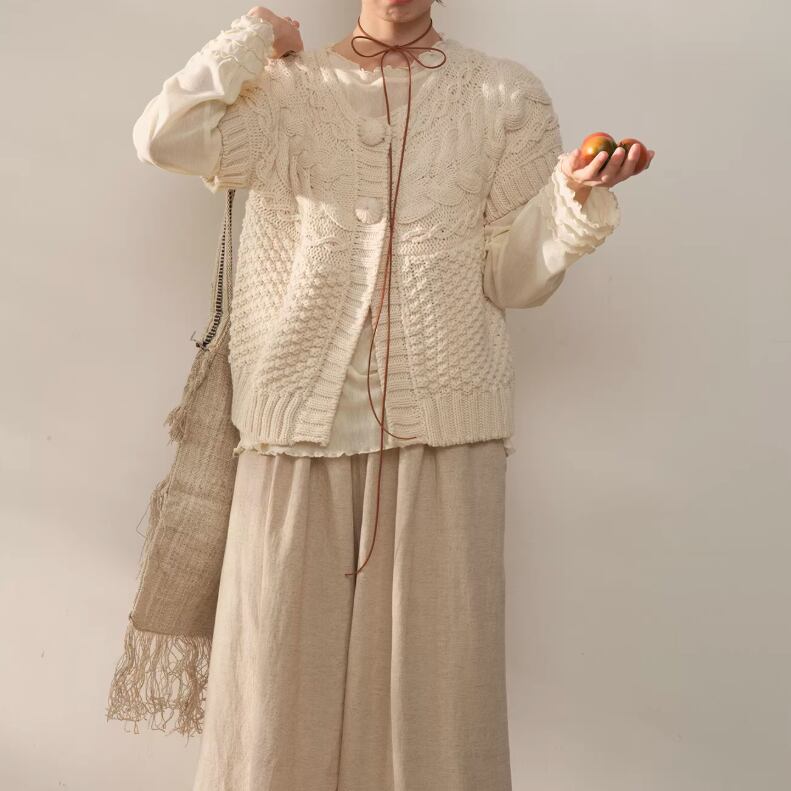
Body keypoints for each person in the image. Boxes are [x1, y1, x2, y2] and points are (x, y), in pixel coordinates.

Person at [131, 1, 653, 788]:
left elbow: (510, 277)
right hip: (292, 429)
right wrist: (254, 32)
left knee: (439, 709)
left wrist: (570, 199)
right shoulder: (289, 87)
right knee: (269, 706)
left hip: (445, 433)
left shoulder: (505, 95)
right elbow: (162, 138)